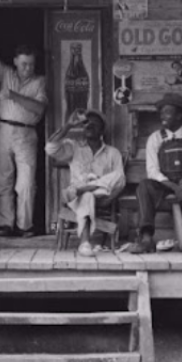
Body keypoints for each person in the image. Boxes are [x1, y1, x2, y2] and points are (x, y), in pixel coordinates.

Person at [0, 10, 48, 237]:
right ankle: (4, 224)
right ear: (15, 62)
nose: (27, 68)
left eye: (30, 64)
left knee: (26, 181)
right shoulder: (7, 73)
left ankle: (24, 225)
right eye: (23, 64)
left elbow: (39, 108)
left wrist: (13, 96)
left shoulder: (40, 81)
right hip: (3, 129)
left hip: (26, 133)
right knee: (1, 179)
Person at [130, 93, 182, 255]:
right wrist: (173, 187)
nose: (162, 116)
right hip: (164, 184)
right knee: (144, 186)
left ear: (180, 115)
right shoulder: (155, 138)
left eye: (167, 112)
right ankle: (146, 239)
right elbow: (152, 171)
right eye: (161, 113)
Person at [46, 109, 125, 257]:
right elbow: (50, 148)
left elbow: (120, 180)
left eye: (95, 124)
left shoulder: (113, 153)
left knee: (118, 176)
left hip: (102, 197)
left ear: (102, 130)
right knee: (87, 196)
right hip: (75, 196)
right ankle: (85, 243)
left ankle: (89, 188)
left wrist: (94, 188)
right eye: (86, 123)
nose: (89, 126)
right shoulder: (73, 147)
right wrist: (68, 125)